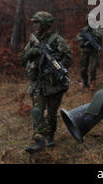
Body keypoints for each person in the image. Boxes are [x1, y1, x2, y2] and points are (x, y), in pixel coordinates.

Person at [22, 11, 72, 153]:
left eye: (38, 22)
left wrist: (55, 65)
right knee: (37, 111)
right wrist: (34, 52)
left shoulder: (57, 40)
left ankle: (50, 135)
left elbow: (68, 58)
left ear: (45, 24)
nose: (36, 25)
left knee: (51, 114)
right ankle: (39, 140)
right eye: (35, 23)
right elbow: (23, 57)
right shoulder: (33, 40)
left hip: (54, 84)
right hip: (37, 83)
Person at [77, 15, 103, 89]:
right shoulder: (84, 29)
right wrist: (82, 41)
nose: (90, 22)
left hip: (93, 52)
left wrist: (92, 38)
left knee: (93, 68)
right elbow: (78, 37)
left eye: (92, 20)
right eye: (89, 20)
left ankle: (92, 83)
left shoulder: (97, 29)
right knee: (83, 69)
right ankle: (85, 83)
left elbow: (99, 36)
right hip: (84, 51)